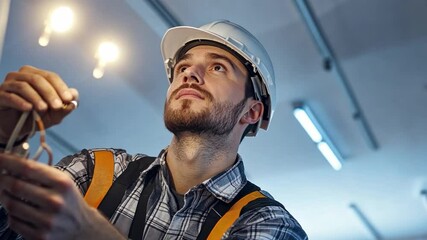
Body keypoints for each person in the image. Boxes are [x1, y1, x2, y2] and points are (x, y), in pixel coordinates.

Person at [0, 20, 307, 239]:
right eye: (183, 67)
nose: (190, 75)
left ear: (252, 111)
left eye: (217, 67)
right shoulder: (94, 173)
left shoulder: (268, 224)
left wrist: (90, 233)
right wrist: (3, 138)